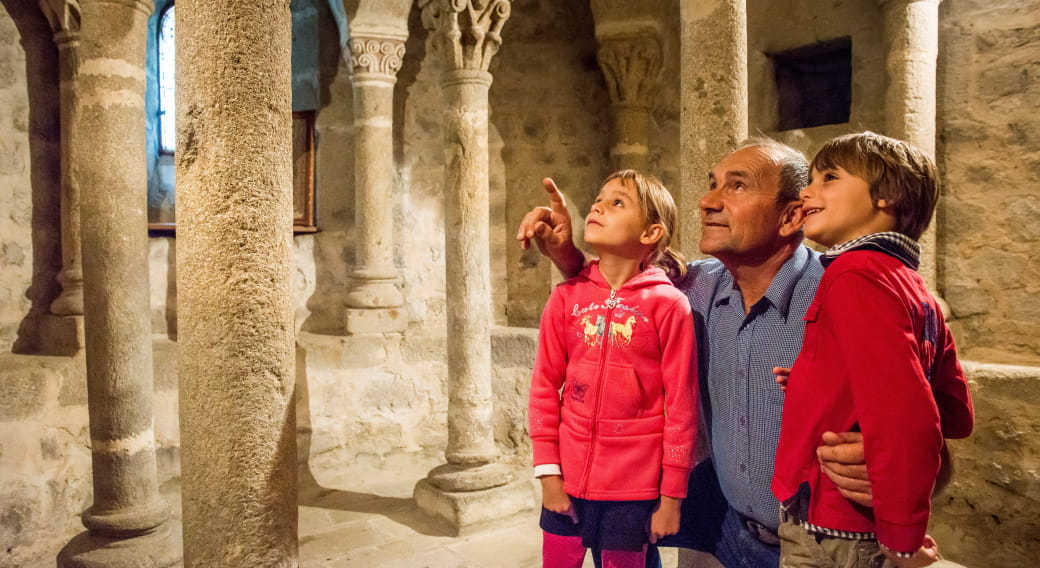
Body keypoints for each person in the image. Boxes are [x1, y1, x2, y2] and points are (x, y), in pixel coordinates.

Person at [517, 137, 874, 568]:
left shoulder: (845, 297)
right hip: (721, 533)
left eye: (737, 186)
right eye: (712, 185)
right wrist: (567, 253)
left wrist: (897, 469)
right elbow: (616, 287)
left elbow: (926, 423)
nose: (706, 202)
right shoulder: (695, 286)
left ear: (791, 215)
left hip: (818, 548)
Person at [770, 132, 974, 568]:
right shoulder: (912, 287)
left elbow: (908, 415)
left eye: (828, 177)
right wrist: (816, 383)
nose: (807, 192)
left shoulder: (855, 274)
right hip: (855, 528)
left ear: (888, 195)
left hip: (834, 529)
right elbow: (955, 413)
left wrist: (903, 539)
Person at [528, 170, 698, 568]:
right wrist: (549, 476)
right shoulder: (565, 298)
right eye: (599, 199)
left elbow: (682, 408)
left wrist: (672, 497)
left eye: (618, 202)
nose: (598, 205)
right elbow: (543, 389)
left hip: (633, 490)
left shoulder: (668, 306)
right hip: (566, 479)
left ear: (650, 233)